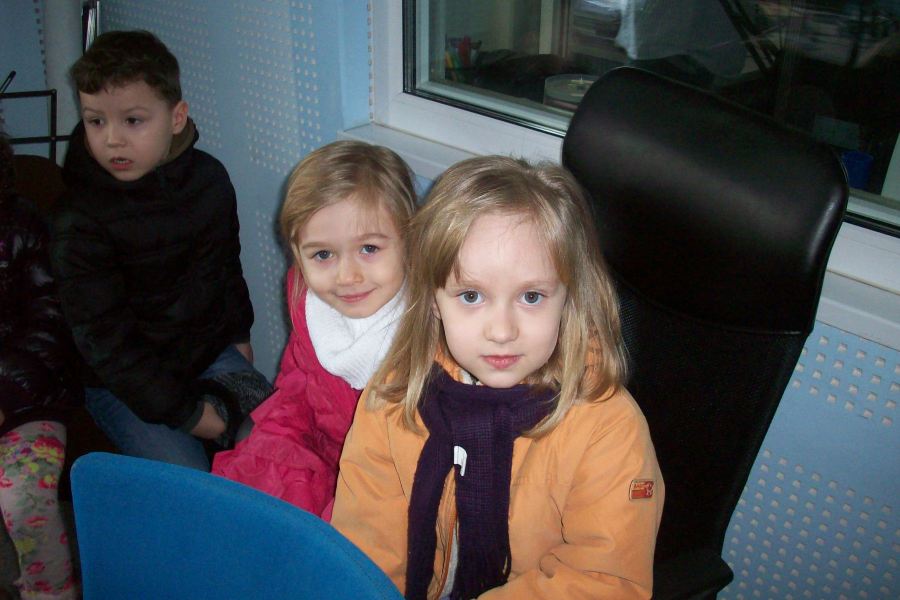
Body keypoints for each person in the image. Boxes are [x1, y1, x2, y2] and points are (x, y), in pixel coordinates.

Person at [331, 156, 665, 599]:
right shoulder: (396, 395)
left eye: (532, 296)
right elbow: (365, 549)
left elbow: (604, 584)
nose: (502, 331)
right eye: (471, 296)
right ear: (433, 301)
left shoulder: (607, 428)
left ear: (568, 299)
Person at [50, 30, 264, 471]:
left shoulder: (209, 181)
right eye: (96, 121)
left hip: (205, 352)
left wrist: (238, 336)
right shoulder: (79, 220)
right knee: (190, 483)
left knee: (282, 442)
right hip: (122, 384)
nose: (112, 139)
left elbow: (225, 268)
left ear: (176, 117)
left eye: (132, 121)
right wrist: (190, 415)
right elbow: (106, 344)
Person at [212, 140, 416, 520]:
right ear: (297, 253)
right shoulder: (311, 305)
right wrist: (277, 445)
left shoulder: (425, 326)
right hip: (321, 449)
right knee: (256, 503)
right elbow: (297, 385)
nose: (347, 276)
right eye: (323, 254)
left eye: (369, 248)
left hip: (392, 480)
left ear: (409, 240)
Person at [0, 135, 79, 599]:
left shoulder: (24, 225)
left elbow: (50, 327)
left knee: (24, 497)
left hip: (28, 397)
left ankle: (50, 591)